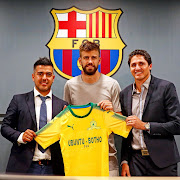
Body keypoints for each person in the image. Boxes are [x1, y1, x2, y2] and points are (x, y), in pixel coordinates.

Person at [63, 40, 122, 176]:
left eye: (93, 57)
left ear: (99, 60)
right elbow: (66, 123)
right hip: (79, 159)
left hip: (108, 160)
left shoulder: (112, 84)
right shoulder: (70, 85)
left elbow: (120, 125)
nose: (90, 61)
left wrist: (112, 112)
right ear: (80, 60)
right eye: (86, 58)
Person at [1, 57, 68, 175]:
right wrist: (20, 136)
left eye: (48, 74)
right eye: (40, 74)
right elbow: (5, 127)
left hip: (53, 169)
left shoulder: (63, 106)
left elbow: (68, 137)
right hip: (23, 167)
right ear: (33, 77)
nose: (44, 78)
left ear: (53, 78)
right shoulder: (18, 100)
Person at [120, 49, 180, 176]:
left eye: (141, 63)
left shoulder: (166, 88)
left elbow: (177, 125)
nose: (137, 68)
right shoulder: (124, 94)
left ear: (150, 66)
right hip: (136, 162)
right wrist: (124, 161)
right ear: (130, 68)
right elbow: (126, 131)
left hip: (163, 161)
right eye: (133, 65)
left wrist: (145, 126)